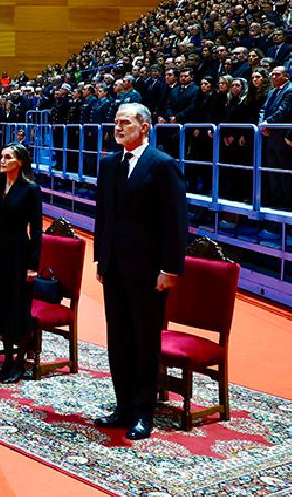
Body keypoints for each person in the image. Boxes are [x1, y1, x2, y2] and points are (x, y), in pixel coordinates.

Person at [93, 103, 187, 440]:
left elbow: (175, 222)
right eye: (116, 122)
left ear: (144, 127)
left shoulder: (162, 165)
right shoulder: (108, 165)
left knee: (145, 340)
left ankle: (143, 412)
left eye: (125, 122)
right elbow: (103, 217)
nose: (118, 127)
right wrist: (101, 260)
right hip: (115, 268)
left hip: (149, 271)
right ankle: (122, 407)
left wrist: (171, 268)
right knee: (118, 339)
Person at [0, 144, 43, 384]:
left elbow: (36, 230)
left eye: (8, 157)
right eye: (2, 157)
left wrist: (33, 265)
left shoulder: (31, 189)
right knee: (0, 305)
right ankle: (6, 361)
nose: (2, 160)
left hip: (18, 253)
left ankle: (18, 363)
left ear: (20, 162)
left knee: (17, 307)